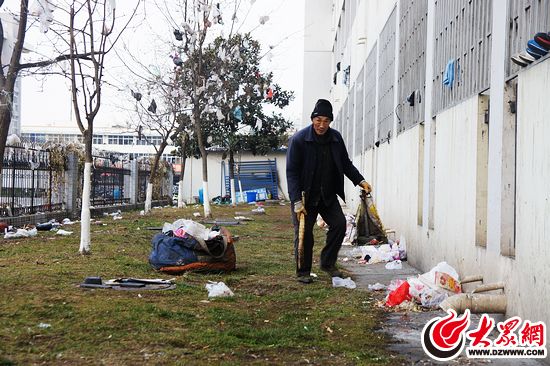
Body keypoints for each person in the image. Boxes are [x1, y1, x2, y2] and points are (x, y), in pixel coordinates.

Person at [286, 99, 372, 284]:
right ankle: (303, 272)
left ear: (330, 121)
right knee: (304, 234)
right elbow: (291, 172)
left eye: (326, 121)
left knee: (340, 225)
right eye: (318, 120)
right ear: (312, 119)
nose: (322, 125)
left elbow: (345, 164)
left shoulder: (335, 138)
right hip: (305, 196)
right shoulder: (299, 140)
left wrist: (360, 180)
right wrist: (296, 201)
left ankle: (327, 263)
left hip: (327, 195)